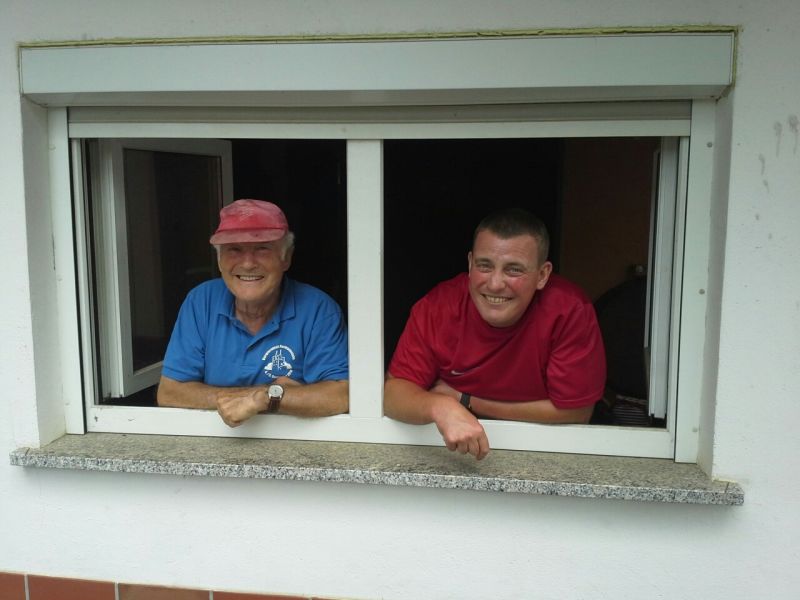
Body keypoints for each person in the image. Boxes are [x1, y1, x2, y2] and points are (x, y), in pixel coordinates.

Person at [384, 208, 605, 460]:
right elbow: (393, 395)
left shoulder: (568, 310)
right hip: (450, 454)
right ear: (470, 264)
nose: (495, 284)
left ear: (542, 275)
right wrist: (439, 406)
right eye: (485, 266)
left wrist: (465, 400)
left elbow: (576, 412)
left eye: (514, 270)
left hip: (545, 451)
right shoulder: (439, 306)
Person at [157, 199, 349, 427]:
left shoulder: (318, 309)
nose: (248, 264)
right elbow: (170, 392)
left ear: (286, 258)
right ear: (219, 260)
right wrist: (269, 394)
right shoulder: (201, 301)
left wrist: (266, 399)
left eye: (262, 249)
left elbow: (341, 395)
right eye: (234, 249)